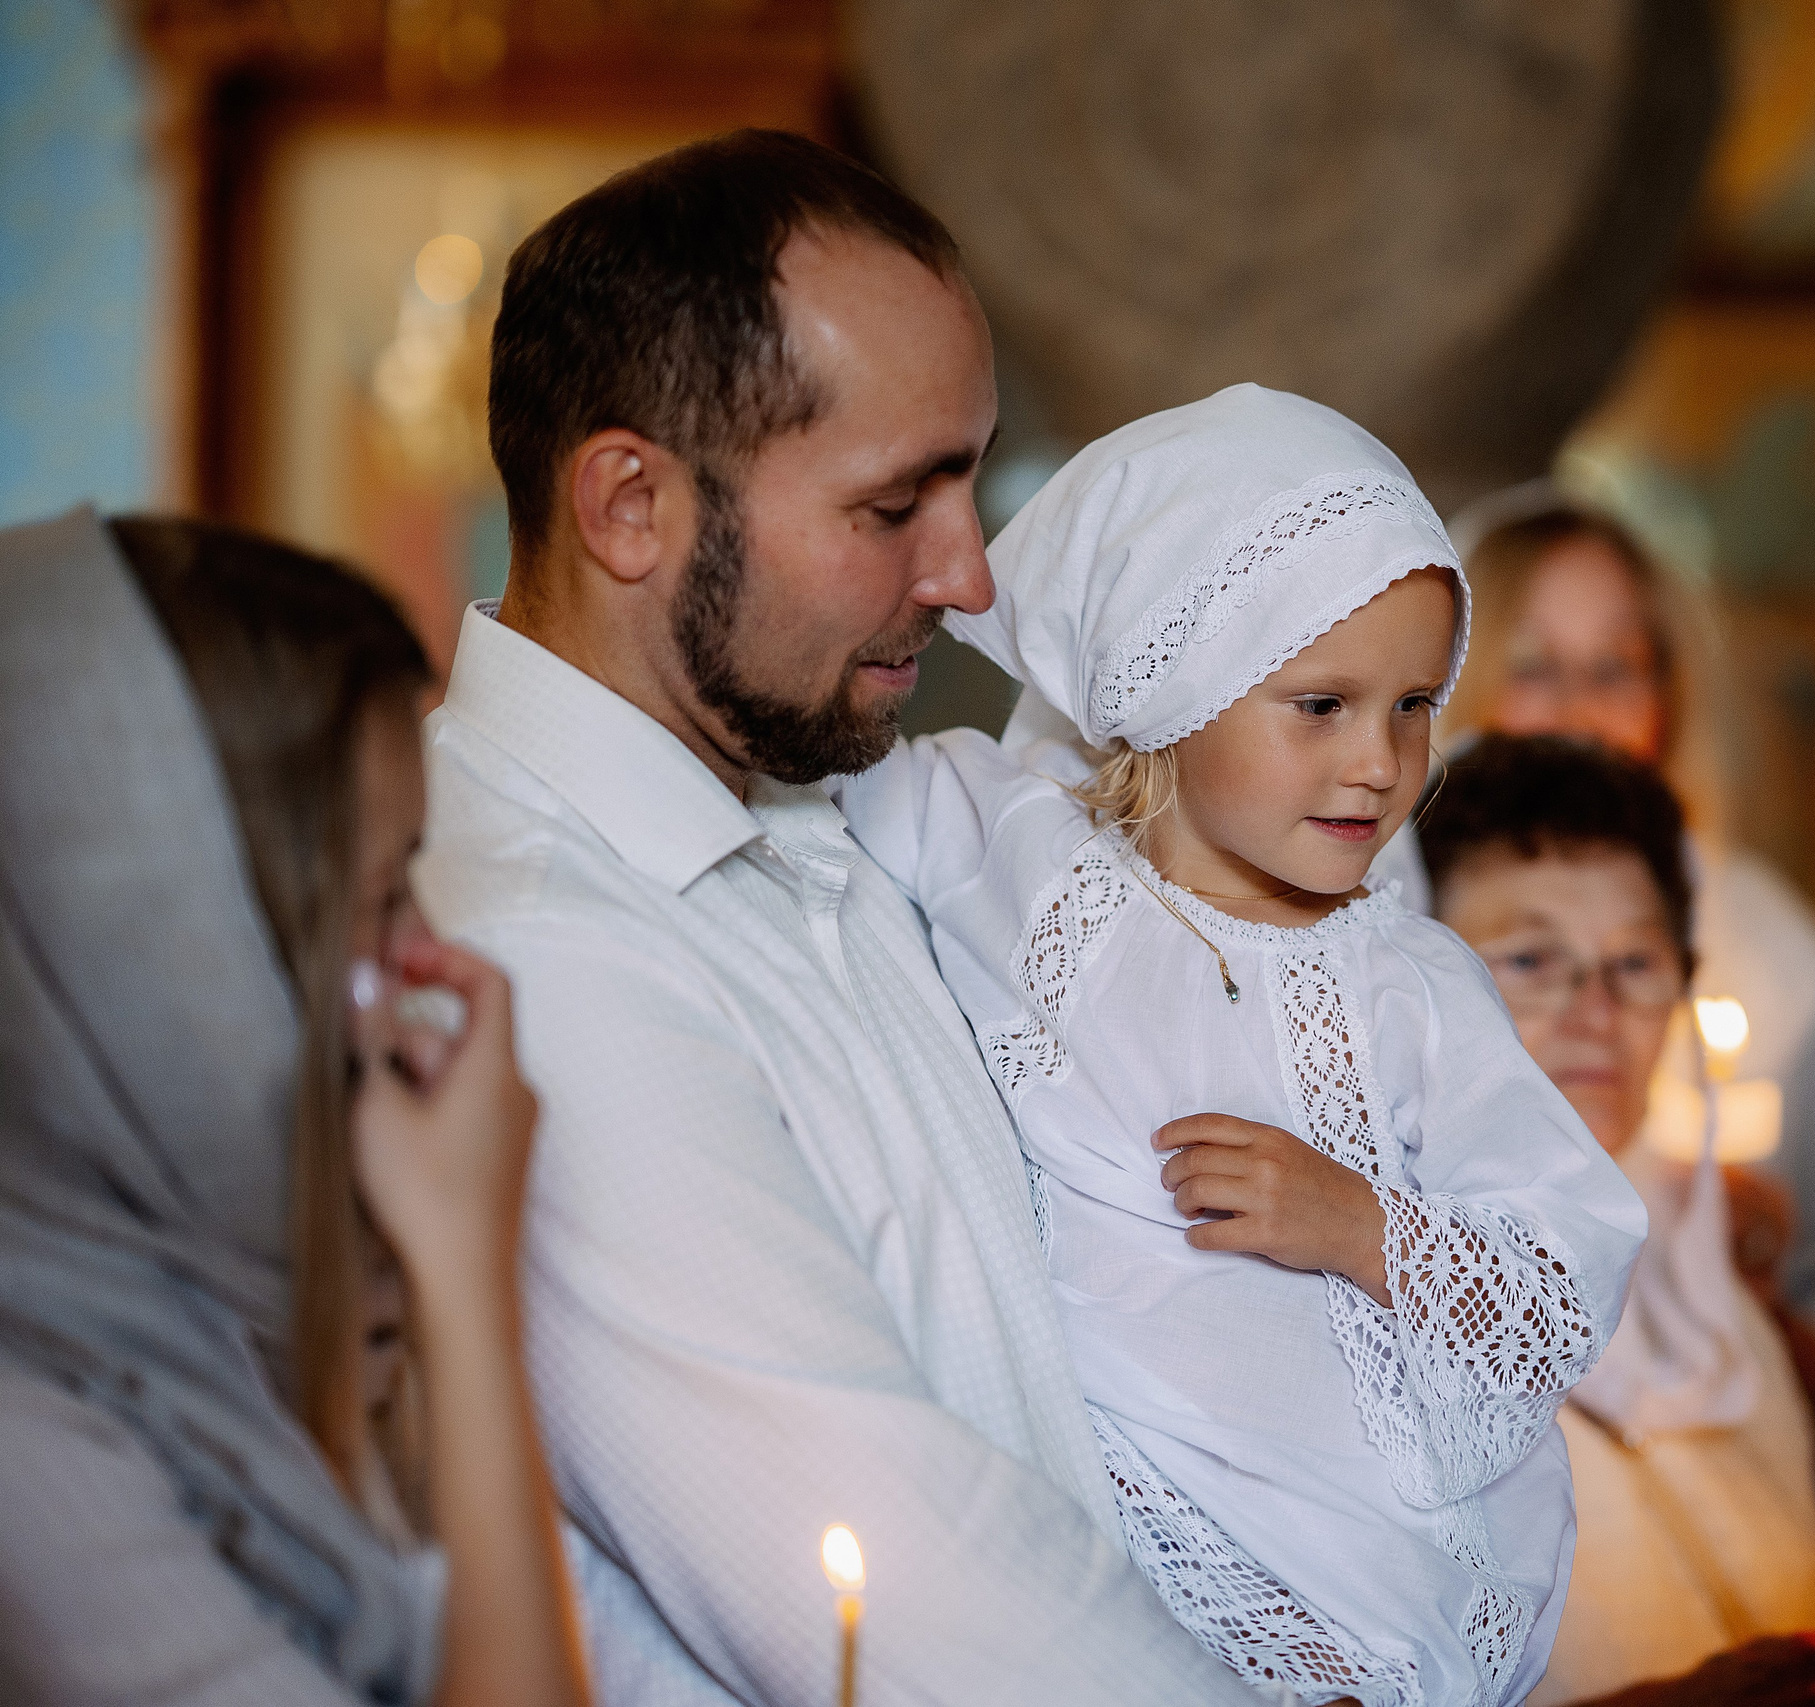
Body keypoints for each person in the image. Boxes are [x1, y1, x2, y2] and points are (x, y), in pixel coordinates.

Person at [411, 131, 1265, 1705]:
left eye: (972, 478)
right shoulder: (517, 941)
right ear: (628, 504)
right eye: (895, 504)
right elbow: (879, 1553)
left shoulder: (844, 791)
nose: (967, 571)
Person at [840, 385, 1647, 1707]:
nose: (1381, 762)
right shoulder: (1016, 841)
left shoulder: (1414, 985)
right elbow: (785, 766)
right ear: (1171, 678)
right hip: (1115, 1497)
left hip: (1364, 1544)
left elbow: (1562, 1275)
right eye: (1320, 703)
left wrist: (1355, 1221)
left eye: (1412, 705)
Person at [0, 512, 587, 1707]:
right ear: (170, 980)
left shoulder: (225, 1298)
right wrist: (465, 1280)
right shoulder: (34, 1464)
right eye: (377, 907)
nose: (428, 964)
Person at [1420, 496, 1815, 1468]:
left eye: (1614, 669)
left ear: (1665, 697)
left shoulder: (1771, 953)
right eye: (1528, 668)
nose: (1575, 710)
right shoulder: (1387, 926)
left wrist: (1727, 1282)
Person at [1418, 734, 1815, 1707]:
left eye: (1635, 963)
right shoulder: (1382, 1303)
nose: (1594, 1010)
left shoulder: (1716, 1316)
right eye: (1529, 959)